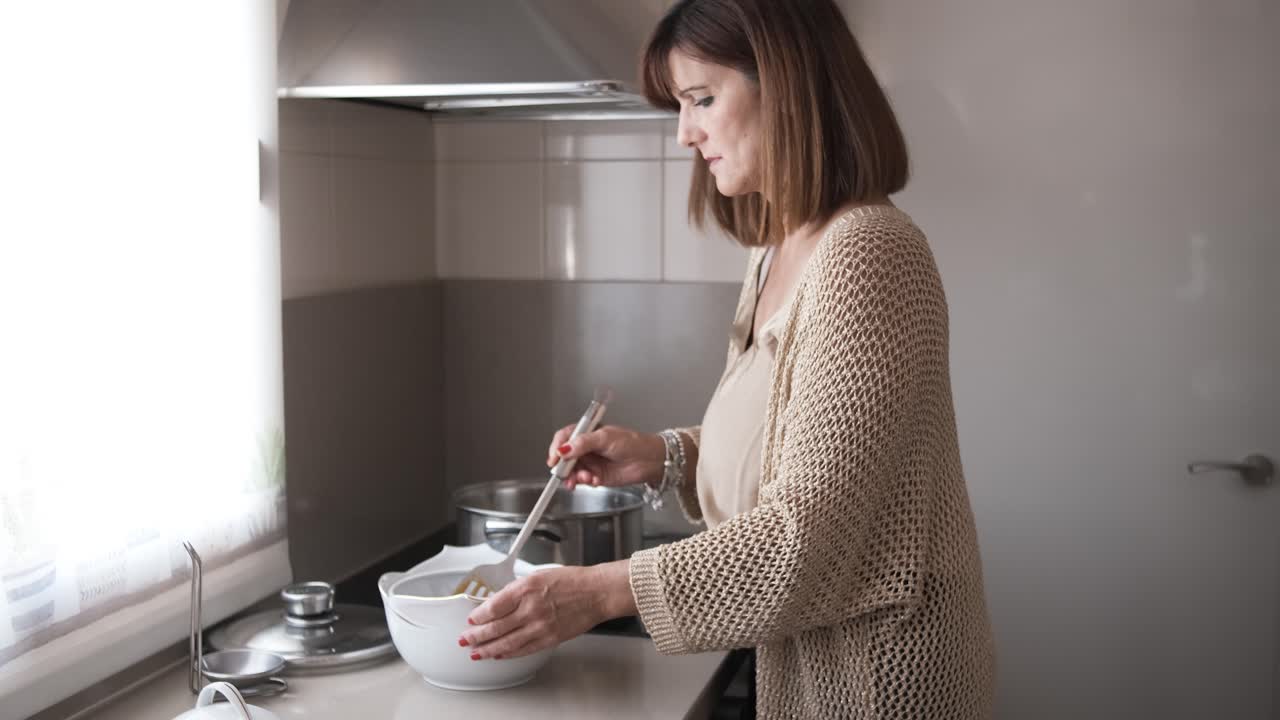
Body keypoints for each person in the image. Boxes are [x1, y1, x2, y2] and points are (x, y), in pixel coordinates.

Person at [456, 1, 997, 717]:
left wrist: (598, 592)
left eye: (703, 99)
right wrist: (663, 457)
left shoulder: (868, 251)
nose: (685, 133)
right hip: (808, 670)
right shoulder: (779, 247)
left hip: (876, 687)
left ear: (788, 86)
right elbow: (795, 449)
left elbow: (808, 538)